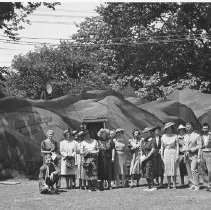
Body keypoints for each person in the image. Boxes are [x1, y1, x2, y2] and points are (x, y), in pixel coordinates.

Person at [181, 122, 201, 191]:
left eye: (189, 127)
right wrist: (183, 150)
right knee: (189, 171)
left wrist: (192, 149)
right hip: (186, 155)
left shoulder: (197, 135)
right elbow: (184, 145)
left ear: (192, 127)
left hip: (194, 155)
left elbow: (199, 146)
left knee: (193, 170)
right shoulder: (185, 136)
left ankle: (197, 185)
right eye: (186, 127)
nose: (187, 128)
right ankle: (192, 184)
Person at [161, 122, 179, 190]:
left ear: (172, 129)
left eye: (170, 128)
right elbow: (162, 146)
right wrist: (162, 155)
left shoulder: (175, 136)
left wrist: (177, 155)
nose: (169, 130)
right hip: (166, 153)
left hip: (173, 152)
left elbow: (177, 146)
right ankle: (169, 184)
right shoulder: (163, 136)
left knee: (173, 168)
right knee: (167, 168)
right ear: (165, 129)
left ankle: (174, 184)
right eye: (167, 129)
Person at [141, 127, 157, 192]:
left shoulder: (153, 139)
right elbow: (142, 148)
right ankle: (148, 186)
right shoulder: (144, 140)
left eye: (147, 132)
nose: (146, 133)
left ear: (150, 132)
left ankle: (153, 186)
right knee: (145, 172)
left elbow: (153, 149)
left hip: (150, 158)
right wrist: (142, 157)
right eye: (145, 132)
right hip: (144, 158)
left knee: (150, 172)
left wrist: (147, 157)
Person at [200, 122, 211, 191]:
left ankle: (209, 184)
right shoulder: (201, 136)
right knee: (204, 169)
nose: (205, 129)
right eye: (204, 128)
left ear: (208, 128)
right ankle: (206, 184)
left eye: (206, 128)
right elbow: (200, 146)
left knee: (210, 170)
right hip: (202, 153)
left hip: (209, 153)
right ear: (202, 129)